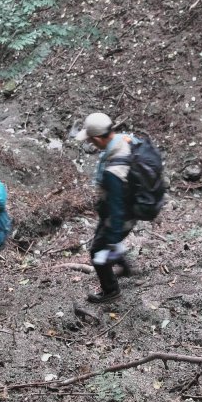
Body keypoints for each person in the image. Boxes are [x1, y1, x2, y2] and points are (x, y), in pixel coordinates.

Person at [76, 112, 137, 304]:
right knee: (103, 241)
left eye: (91, 141)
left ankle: (111, 291)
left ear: (96, 138)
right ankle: (125, 268)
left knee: (96, 251)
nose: (92, 145)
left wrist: (112, 237)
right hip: (127, 207)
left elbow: (117, 208)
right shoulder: (125, 139)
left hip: (120, 214)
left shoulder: (113, 172)